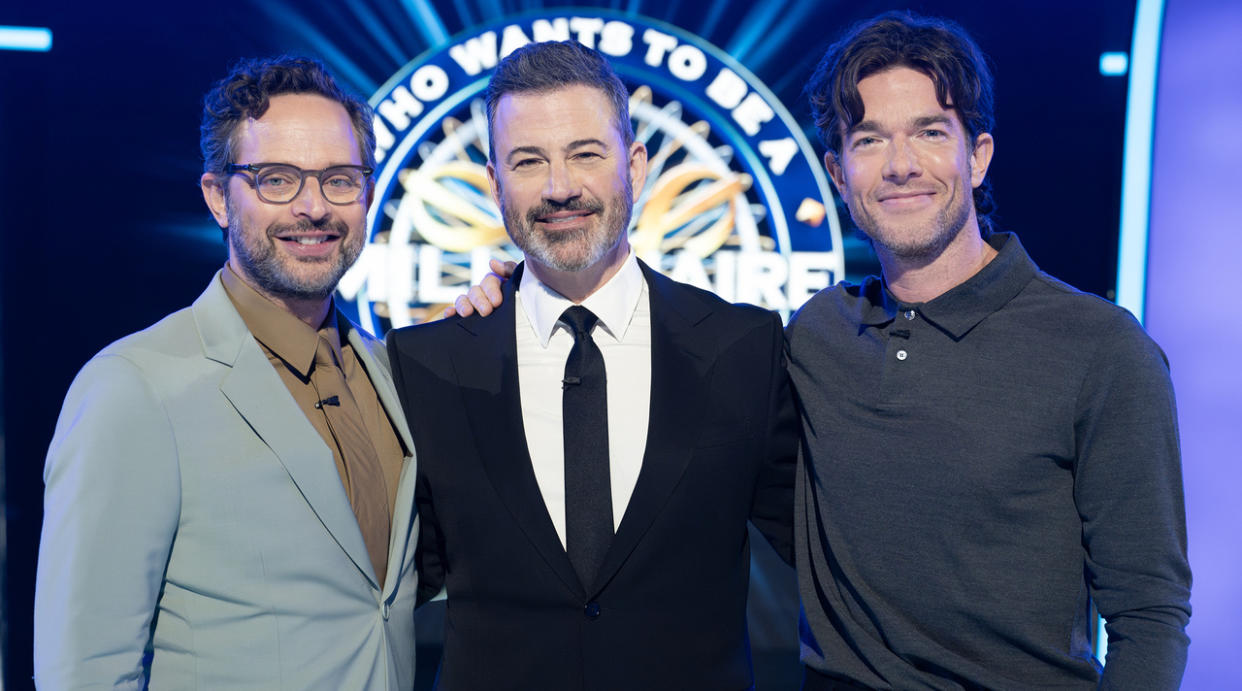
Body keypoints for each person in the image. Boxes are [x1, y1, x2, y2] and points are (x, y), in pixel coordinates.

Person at [789, 11, 1191, 689]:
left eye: (929, 133)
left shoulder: (1100, 349)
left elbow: (1148, 615)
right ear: (836, 170)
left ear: (977, 156)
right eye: (869, 139)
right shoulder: (818, 334)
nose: (901, 165)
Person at [385, 40, 797, 690]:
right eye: (528, 161)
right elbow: (385, 581)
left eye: (585, 153)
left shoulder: (744, 347)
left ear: (634, 163)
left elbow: (839, 553)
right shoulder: (427, 364)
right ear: (494, 183)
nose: (559, 188)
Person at [34, 56, 419, 689]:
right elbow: (85, 670)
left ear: (369, 194)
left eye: (340, 179)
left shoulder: (388, 375)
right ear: (217, 197)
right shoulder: (134, 387)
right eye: (276, 180)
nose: (314, 207)